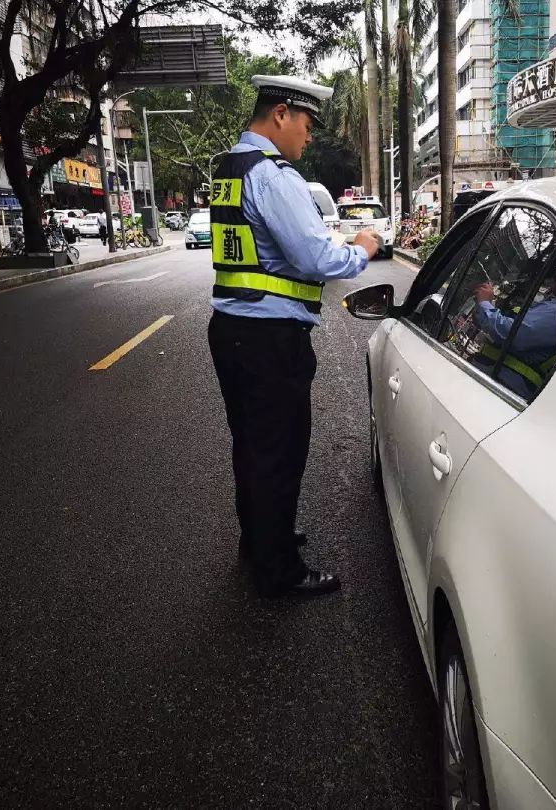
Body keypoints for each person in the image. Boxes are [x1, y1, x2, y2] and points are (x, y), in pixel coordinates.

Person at [207, 75, 382, 598]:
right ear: (281, 114)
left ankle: (261, 539)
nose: (307, 137)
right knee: (278, 450)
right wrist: (365, 248)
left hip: (234, 330)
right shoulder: (274, 175)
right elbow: (317, 258)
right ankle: (279, 569)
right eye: (305, 125)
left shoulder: (229, 167)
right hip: (269, 339)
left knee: (253, 446)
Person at [470, 271, 556, 401]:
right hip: (493, 382)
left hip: (500, 387)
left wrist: (485, 303)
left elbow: (511, 333)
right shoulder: (552, 307)